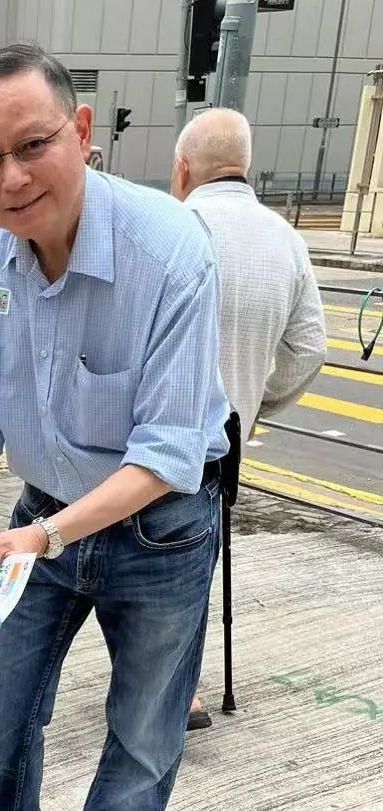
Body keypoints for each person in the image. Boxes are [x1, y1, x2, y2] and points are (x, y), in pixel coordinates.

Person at [0, 43, 230, 811]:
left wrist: (46, 536)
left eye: (33, 145)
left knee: (142, 742)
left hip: (160, 529)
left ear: (80, 128)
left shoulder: (168, 252)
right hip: (39, 518)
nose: (12, 178)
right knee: (0, 726)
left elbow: (167, 452)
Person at [172, 107, 327, 730]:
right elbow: (309, 347)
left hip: (145, 438)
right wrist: (254, 407)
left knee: (133, 559)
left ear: (183, 168)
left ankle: (155, 686)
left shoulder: (173, 224)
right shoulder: (285, 238)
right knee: (196, 562)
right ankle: (184, 687)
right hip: (224, 440)